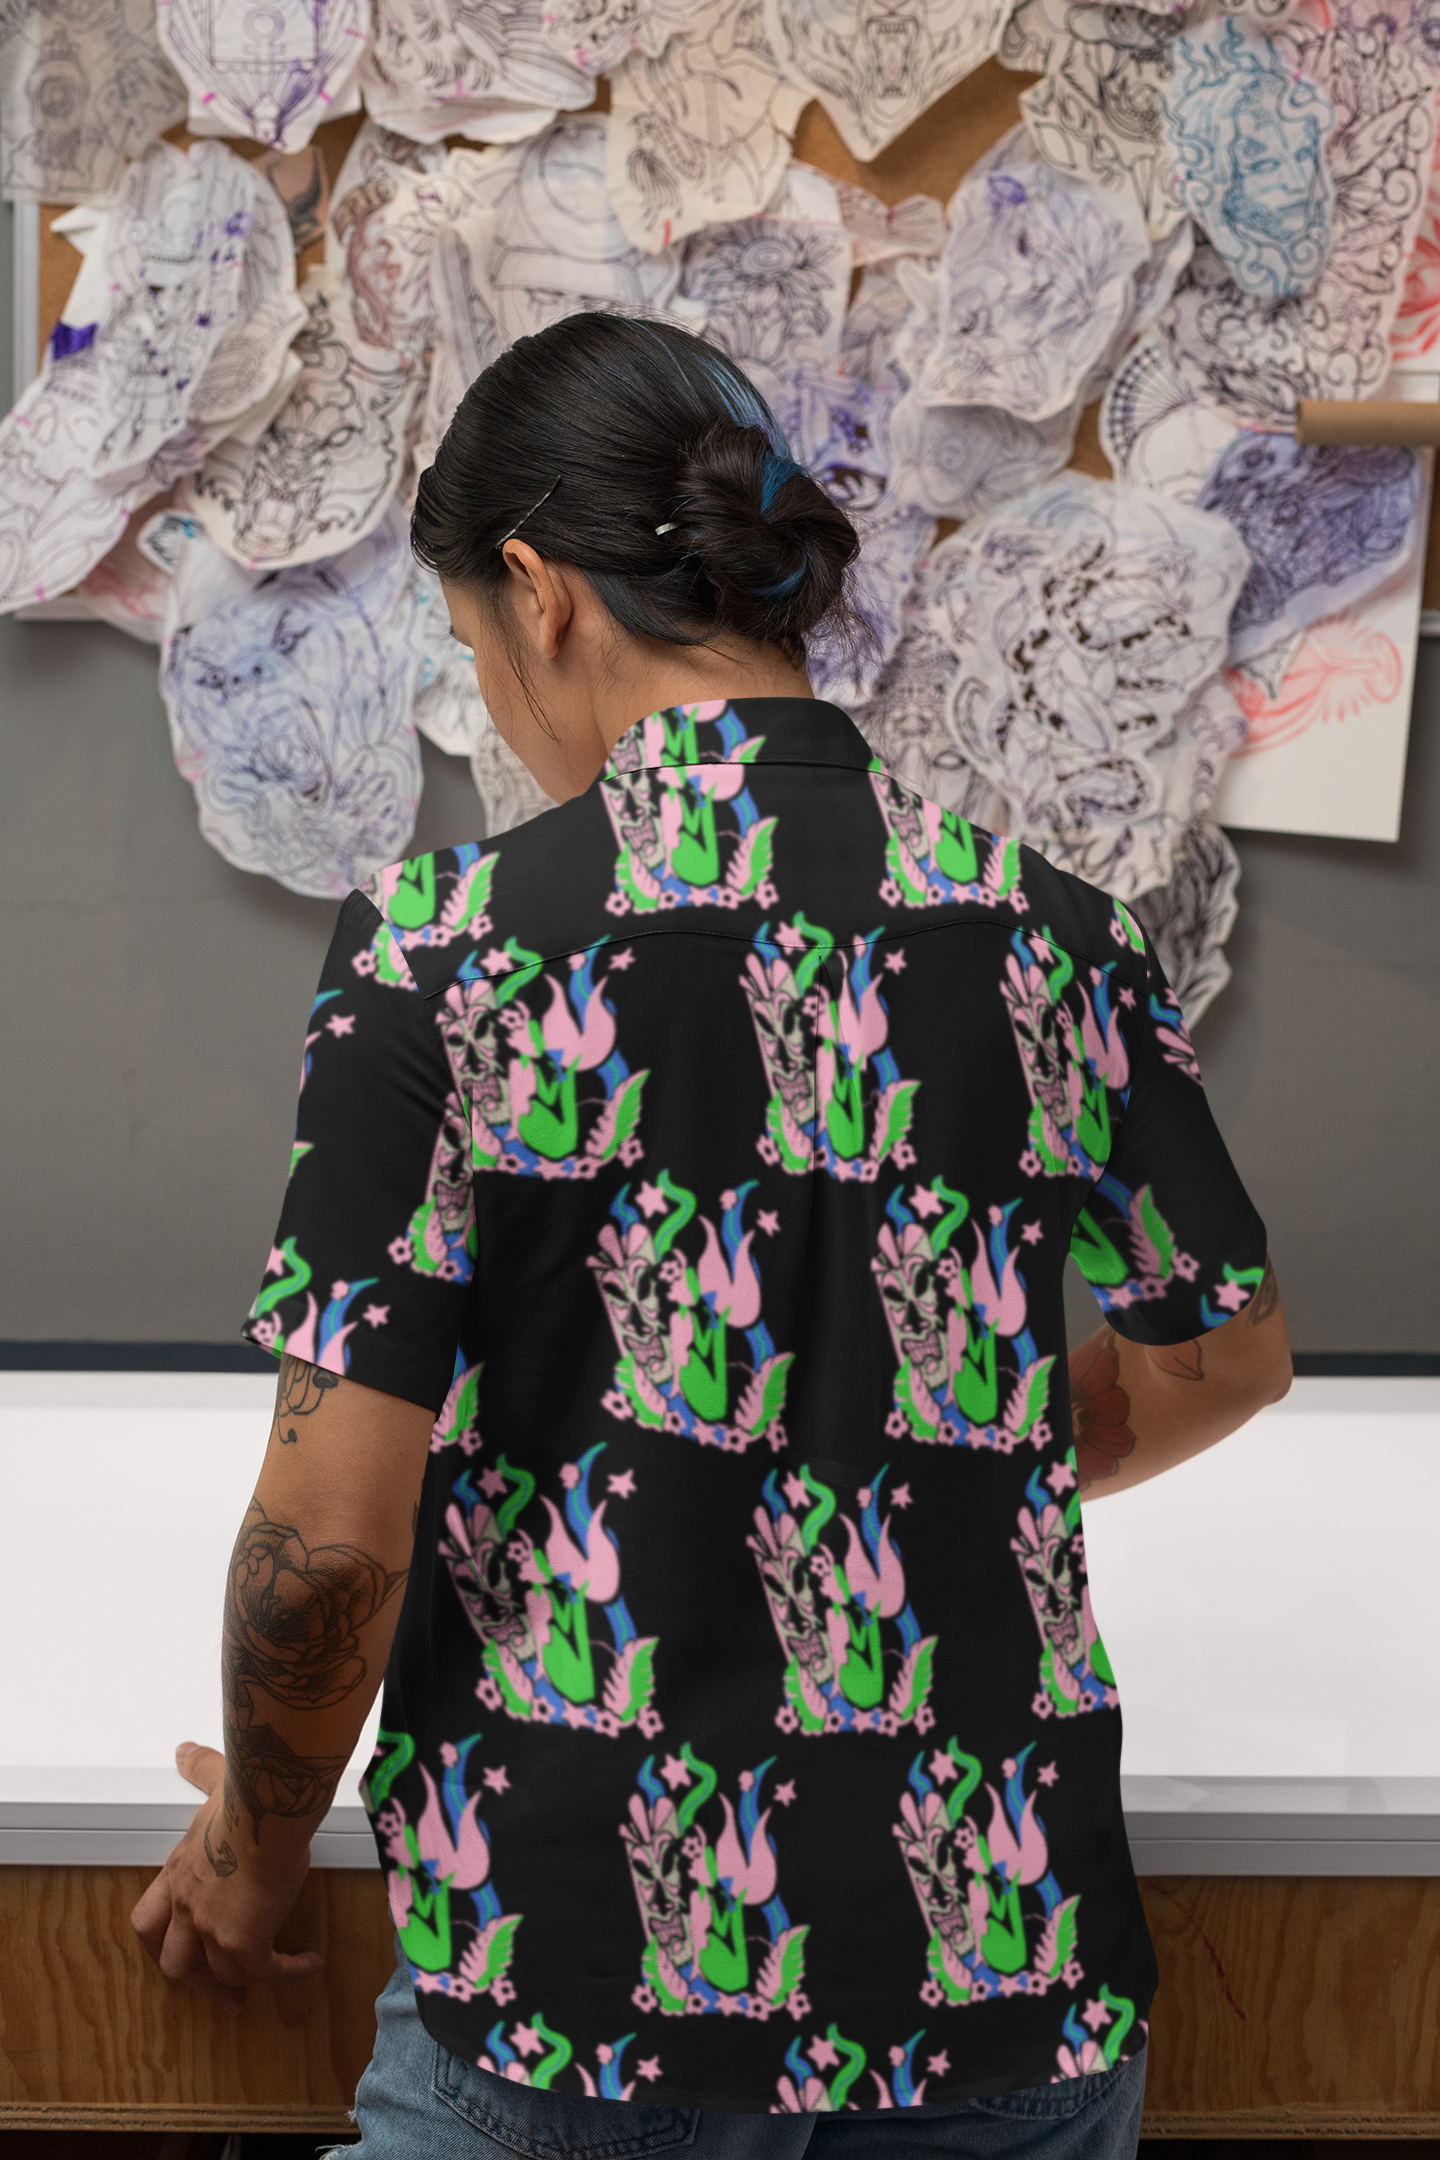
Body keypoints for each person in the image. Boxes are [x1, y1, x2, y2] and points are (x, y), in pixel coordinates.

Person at [132, 313, 1291, 2160]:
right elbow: (1222, 1359)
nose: (498, 705)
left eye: (474, 650)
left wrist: (246, 1853)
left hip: (579, 2005)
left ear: (539, 594)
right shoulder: (1058, 939)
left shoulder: (445, 958)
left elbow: (334, 1532)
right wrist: (916, 1447)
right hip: (1005, 1988)